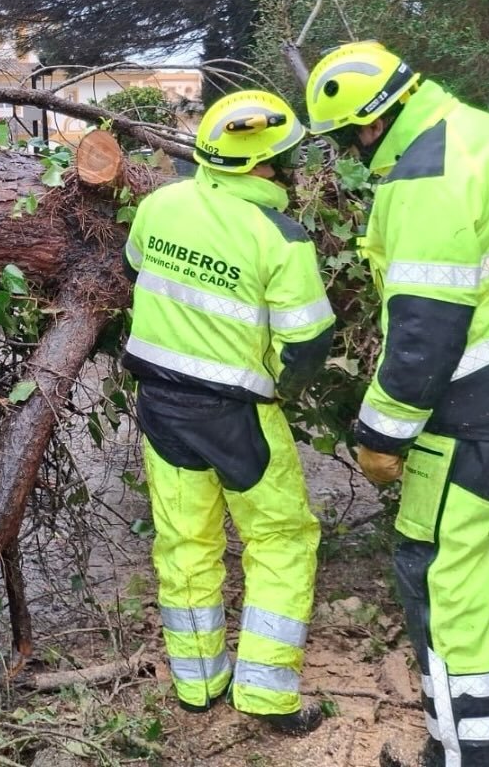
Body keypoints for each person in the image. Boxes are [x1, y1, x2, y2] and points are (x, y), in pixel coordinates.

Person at [304, 41, 489, 767]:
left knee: (440, 573)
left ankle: (468, 752)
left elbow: (423, 337)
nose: (348, 154)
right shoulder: (486, 132)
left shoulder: (423, 180)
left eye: (345, 140)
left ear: (369, 125)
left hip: (480, 411)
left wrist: (381, 436)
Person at [122, 89, 335, 734]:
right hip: (241, 415)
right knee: (280, 541)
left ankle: (198, 686)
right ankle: (267, 696)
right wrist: (281, 384)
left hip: (160, 405)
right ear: (267, 165)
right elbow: (308, 346)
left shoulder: (158, 205)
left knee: (185, 543)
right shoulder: (281, 236)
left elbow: (139, 269)